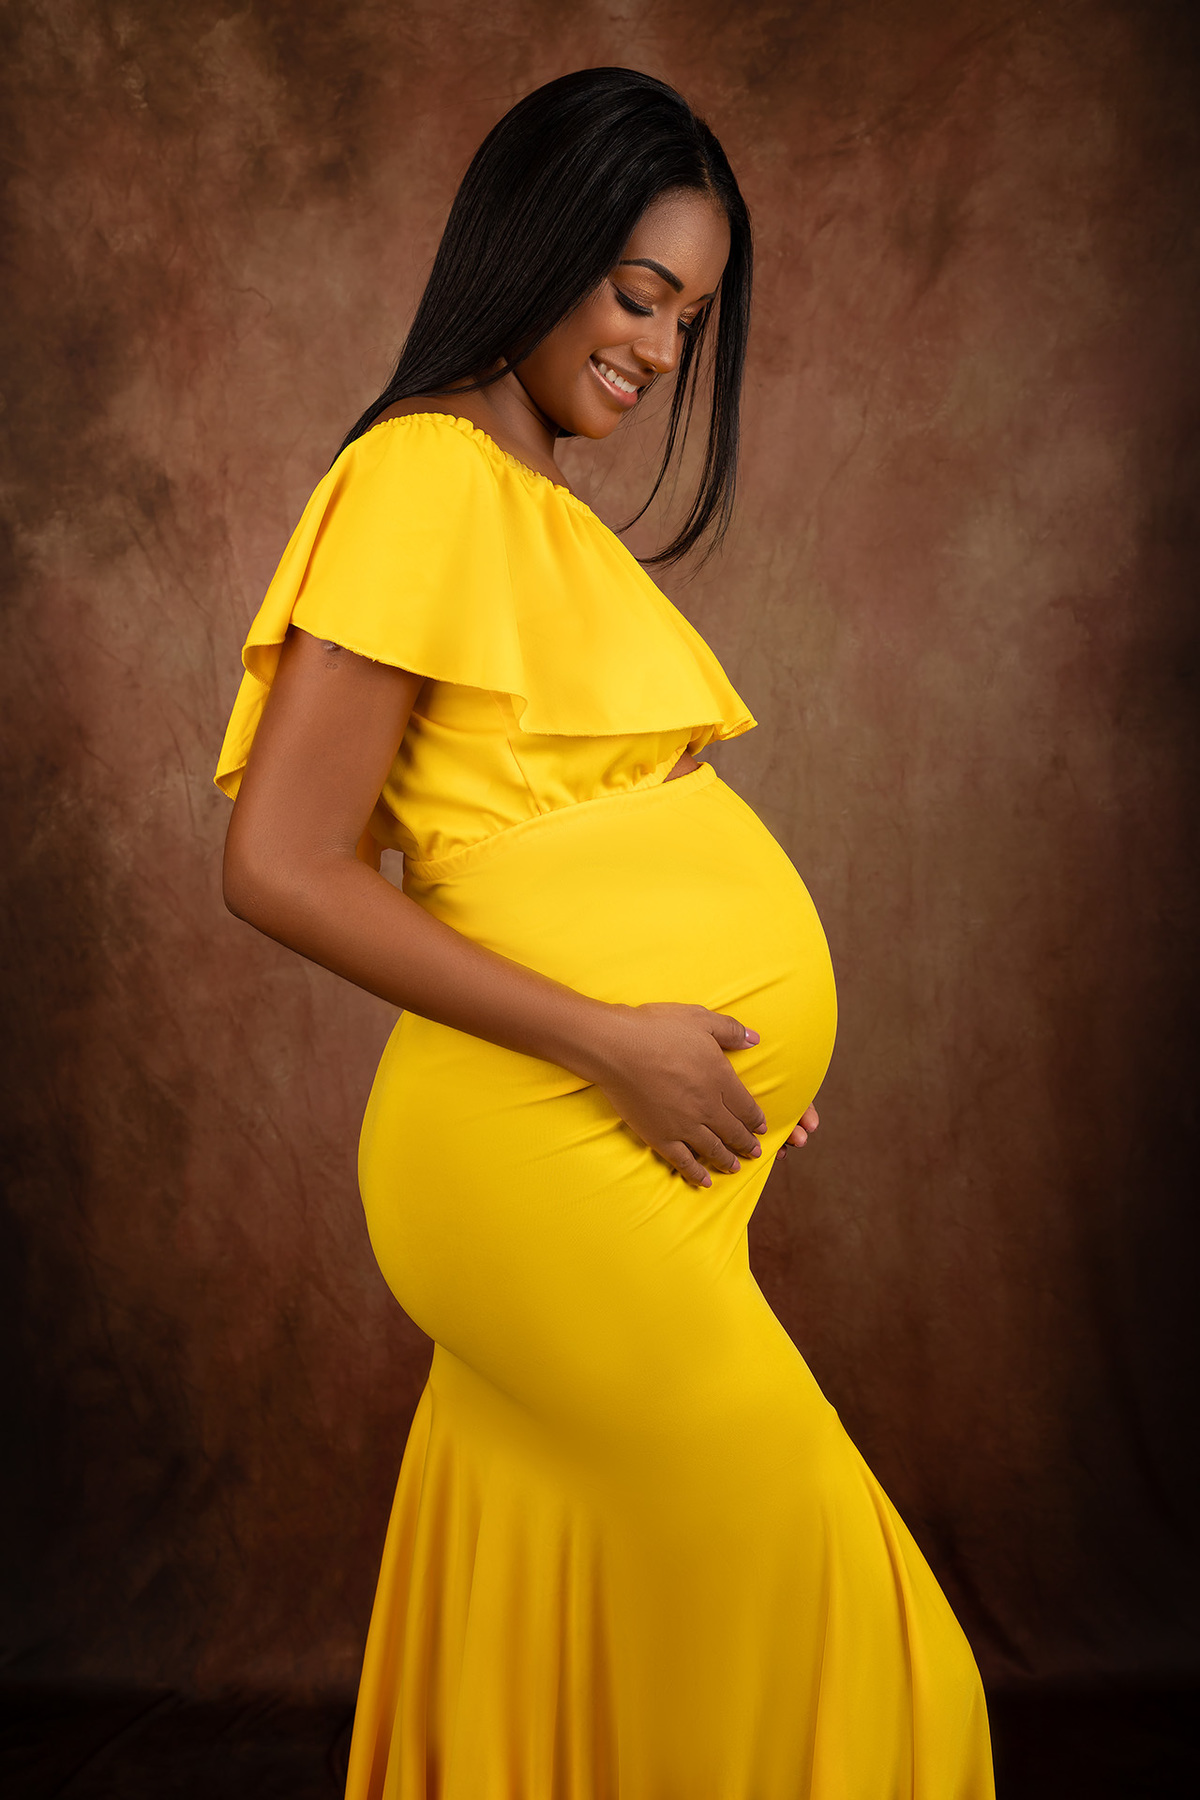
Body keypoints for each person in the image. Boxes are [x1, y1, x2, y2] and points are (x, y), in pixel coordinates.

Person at [215, 66, 994, 1800]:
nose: (656, 351)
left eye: (688, 320)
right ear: (538, 241)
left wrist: (733, 1052)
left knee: (591, 1595)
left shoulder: (535, 512)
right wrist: (617, 1041)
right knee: (865, 1641)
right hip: (545, 1152)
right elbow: (278, 861)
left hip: (626, 1147)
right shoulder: (422, 477)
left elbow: (574, 847)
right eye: (639, 293)